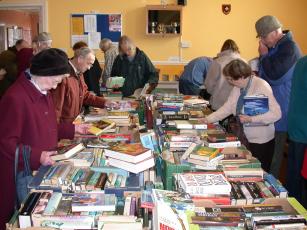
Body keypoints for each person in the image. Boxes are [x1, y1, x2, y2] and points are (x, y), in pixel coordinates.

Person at [0, 48, 89, 230]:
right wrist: (37, 156)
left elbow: (45, 125)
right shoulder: (15, 98)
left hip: (44, 167)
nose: (56, 87)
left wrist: (72, 130)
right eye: (55, 81)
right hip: (25, 172)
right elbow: (6, 142)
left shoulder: (42, 90)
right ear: (43, 73)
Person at [203, 59, 281, 172]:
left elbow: (276, 114)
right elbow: (228, 107)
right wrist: (207, 119)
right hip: (243, 138)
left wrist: (252, 119)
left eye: (230, 79)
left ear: (241, 76)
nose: (229, 82)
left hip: (260, 141)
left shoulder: (261, 86)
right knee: (245, 170)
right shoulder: (238, 87)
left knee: (258, 172)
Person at [255, 15, 302, 179]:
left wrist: (264, 56)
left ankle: (271, 194)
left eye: (264, 36)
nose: (262, 40)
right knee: (265, 155)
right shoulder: (276, 48)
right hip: (268, 111)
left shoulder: (290, 48)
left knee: (274, 159)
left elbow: (274, 77)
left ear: (276, 31)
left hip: (281, 113)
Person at [51, 47, 106, 123]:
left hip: (74, 122)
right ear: (80, 59)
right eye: (88, 63)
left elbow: (85, 95)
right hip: (65, 126)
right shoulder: (64, 75)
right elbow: (56, 108)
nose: (89, 68)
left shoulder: (79, 73)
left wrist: (105, 102)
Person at [287, 56, 307, 205]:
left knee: (293, 175)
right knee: (301, 179)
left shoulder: (301, 61)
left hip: (295, 125)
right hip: (303, 129)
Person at [204, 39, 242, 111]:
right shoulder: (244, 62)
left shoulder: (218, 62)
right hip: (237, 104)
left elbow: (209, 84)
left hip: (219, 103)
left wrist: (214, 93)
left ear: (223, 49)